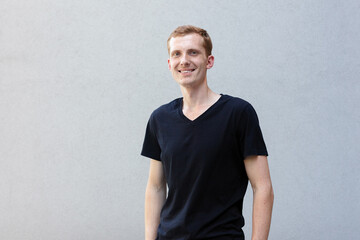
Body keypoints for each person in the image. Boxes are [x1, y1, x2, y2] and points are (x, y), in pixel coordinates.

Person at [141, 25, 274, 240]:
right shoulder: (160, 119)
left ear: (209, 61)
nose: (184, 60)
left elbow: (263, 187)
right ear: (169, 64)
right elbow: (155, 187)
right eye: (177, 54)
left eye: (193, 52)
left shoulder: (239, 113)